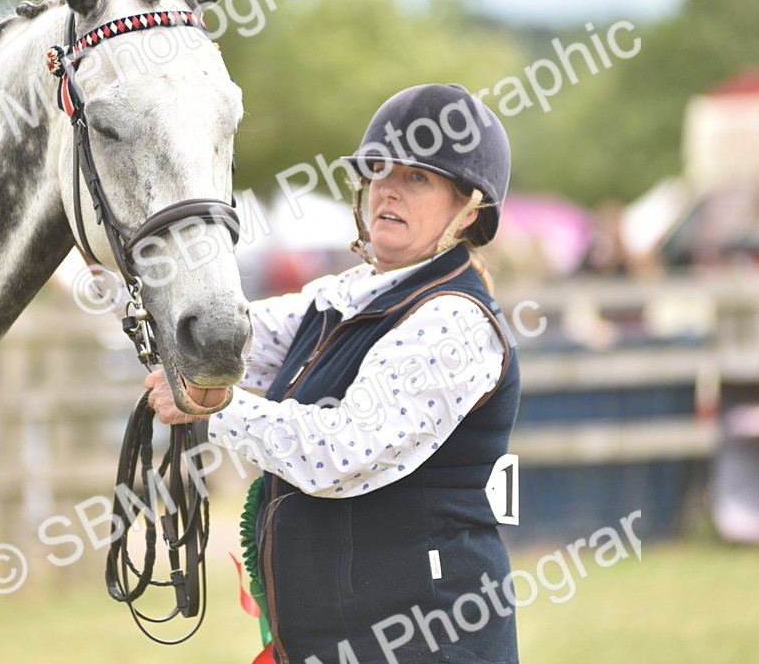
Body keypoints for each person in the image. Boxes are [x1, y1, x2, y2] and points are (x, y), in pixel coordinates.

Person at [146, 83, 521, 664]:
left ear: (469, 209)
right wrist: (144, 272)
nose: (387, 189)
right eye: (379, 170)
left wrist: (215, 405)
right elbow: (231, 334)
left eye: (418, 177)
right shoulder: (345, 295)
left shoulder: (455, 321)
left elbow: (341, 452)